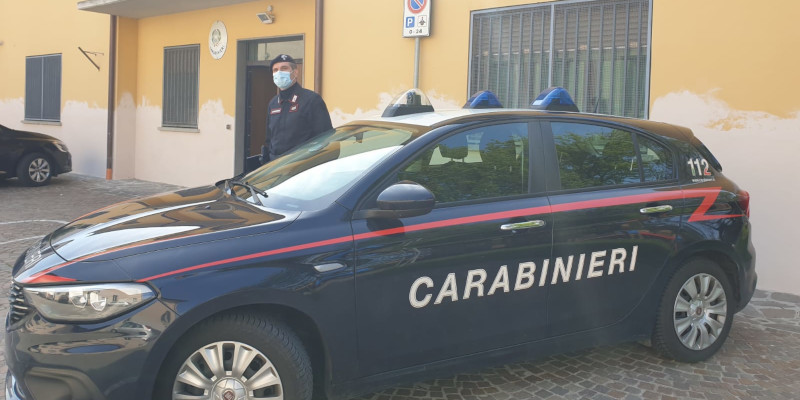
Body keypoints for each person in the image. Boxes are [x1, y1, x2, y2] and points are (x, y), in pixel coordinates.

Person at [260, 54, 333, 164]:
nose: (279, 73)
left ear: (295, 72)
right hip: (276, 165)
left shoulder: (311, 100)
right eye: (275, 70)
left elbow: (325, 137)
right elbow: (269, 139)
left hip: (302, 164)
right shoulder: (273, 103)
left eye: (284, 68)